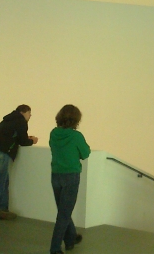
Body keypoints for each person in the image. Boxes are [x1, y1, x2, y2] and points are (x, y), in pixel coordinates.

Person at [49, 104, 91, 254]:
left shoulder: (53, 133)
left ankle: (71, 238)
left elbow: (53, 148)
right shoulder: (76, 136)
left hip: (56, 174)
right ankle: (54, 248)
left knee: (63, 210)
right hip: (71, 176)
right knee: (64, 214)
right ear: (76, 119)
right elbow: (85, 153)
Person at [0, 104, 38, 219]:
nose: (30, 116)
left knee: (4, 181)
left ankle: (3, 209)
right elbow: (23, 141)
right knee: (0, 182)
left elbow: (15, 137)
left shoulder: (7, 120)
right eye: (29, 114)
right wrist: (32, 141)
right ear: (24, 112)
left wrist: (25, 138)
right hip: (2, 153)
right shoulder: (21, 121)